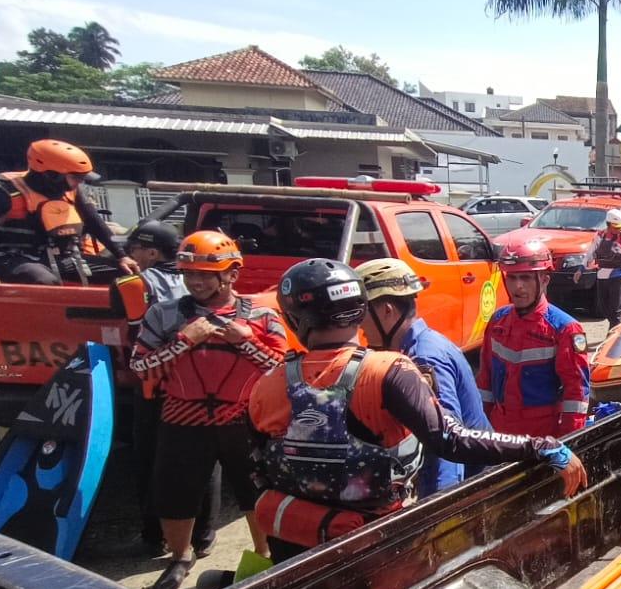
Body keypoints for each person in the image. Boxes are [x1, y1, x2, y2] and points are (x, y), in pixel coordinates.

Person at [252, 258, 588, 562]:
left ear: (293, 320)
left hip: (302, 551)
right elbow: (450, 438)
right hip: (380, 548)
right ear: (357, 309)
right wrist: (541, 446)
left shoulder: (265, 386)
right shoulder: (387, 371)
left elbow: (257, 473)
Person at [128, 231, 289, 589]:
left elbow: (280, 369)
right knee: (174, 491)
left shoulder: (262, 316)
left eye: (204, 274)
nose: (195, 282)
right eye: (189, 274)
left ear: (231, 274)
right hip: (182, 418)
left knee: (256, 490)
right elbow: (139, 366)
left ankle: (264, 554)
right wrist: (184, 340)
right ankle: (180, 556)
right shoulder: (164, 314)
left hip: (245, 419)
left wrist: (245, 340)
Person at [356, 258, 492, 497]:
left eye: (363, 312)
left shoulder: (424, 358)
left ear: (387, 310)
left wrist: (439, 509)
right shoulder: (412, 348)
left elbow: (447, 445)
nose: (360, 326)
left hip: (470, 486)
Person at [115, 220, 192, 550]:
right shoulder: (197, 279)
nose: (131, 255)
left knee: (149, 462)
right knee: (197, 462)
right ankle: (201, 535)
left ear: (152, 252)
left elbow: (134, 336)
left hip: (151, 385)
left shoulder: (136, 283)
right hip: (192, 385)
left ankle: (154, 536)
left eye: (134, 249)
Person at [478, 236, 591, 437]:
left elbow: (576, 395)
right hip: (499, 432)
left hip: (541, 438)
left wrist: (568, 444)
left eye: (526, 278)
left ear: (544, 279)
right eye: (512, 278)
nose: (518, 286)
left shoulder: (565, 330)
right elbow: (485, 381)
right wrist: (479, 430)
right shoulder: (497, 322)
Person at [0, 140, 136, 285]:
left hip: (59, 257)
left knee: (127, 276)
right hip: (12, 257)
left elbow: (95, 223)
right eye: (75, 177)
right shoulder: (4, 191)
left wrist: (122, 256)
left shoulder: (72, 191)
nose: (80, 182)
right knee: (45, 281)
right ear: (50, 175)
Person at [586, 208, 621, 329]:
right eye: (616, 227)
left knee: (615, 311)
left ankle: (614, 333)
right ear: (608, 224)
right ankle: (615, 327)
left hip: (618, 277)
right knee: (604, 308)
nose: (618, 230)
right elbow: (590, 253)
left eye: (620, 227)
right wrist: (582, 268)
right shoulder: (599, 236)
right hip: (602, 277)